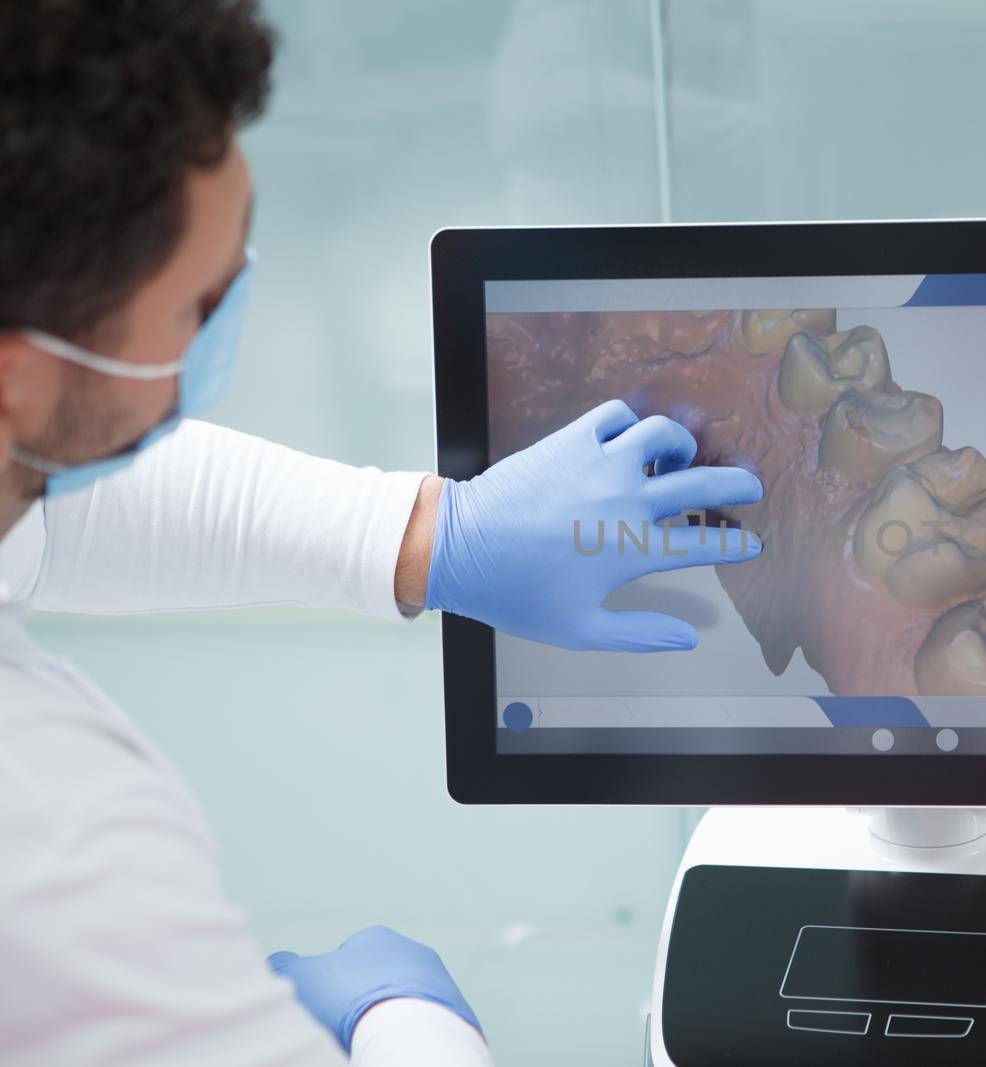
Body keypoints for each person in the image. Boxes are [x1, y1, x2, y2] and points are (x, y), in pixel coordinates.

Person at [0, 2, 761, 1064]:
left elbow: (48, 496)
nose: (224, 331)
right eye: (194, 310)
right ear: (21, 371)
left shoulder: (24, 429)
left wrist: (431, 534)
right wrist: (410, 1017)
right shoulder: (49, 840)